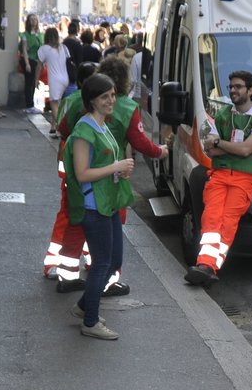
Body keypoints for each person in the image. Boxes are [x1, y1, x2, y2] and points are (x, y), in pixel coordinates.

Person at [43, 55, 165, 292]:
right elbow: (139, 141)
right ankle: (105, 280)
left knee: (75, 220)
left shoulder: (77, 99)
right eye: (106, 97)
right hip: (108, 175)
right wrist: (161, 152)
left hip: (76, 172)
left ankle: (67, 275)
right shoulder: (126, 107)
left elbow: (64, 127)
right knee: (110, 225)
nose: (110, 102)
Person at [62, 74, 137, 340]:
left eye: (113, 95)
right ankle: (90, 322)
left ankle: (84, 307)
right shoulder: (84, 130)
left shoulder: (102, 125)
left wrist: (120, 171)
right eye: (105, 96)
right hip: (94, 206)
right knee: (102, 263)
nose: (111, 100)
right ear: (91, 100)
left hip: (108, 203)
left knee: (113, 261)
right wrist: (116, 167)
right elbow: (82, 174)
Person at [187, 70, 252, 287]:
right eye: (231, 87)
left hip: (244, 179)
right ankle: (205, 266)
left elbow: (245, 150)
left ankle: (208, 266)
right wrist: (228, 147)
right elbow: (211, 149)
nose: (232, 90)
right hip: (220, 174)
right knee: (211, 218)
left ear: (250, 90)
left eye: (238, 87)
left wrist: (221, 144)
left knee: (227, 222)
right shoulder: (224, 115)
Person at [36, 27, 72, 125]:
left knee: (54, 104)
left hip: (54, 80)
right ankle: (53, 127)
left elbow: (39, 67)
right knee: (58, 103)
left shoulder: (44, 49)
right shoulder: (64, 47)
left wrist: (36, 81)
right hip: (65, 78)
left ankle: (61, 127)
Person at [18, 13, 43, 113]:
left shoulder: (40, 34)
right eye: (31, 19)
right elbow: (24, 50)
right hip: (29, 60)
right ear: (28, 21)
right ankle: (29, 105)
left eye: (35, 19)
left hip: (37, 61)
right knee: (29, 83)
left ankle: (31, 104)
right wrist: (27, 63)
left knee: (34, 82)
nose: (33, 21)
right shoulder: (25, 35)